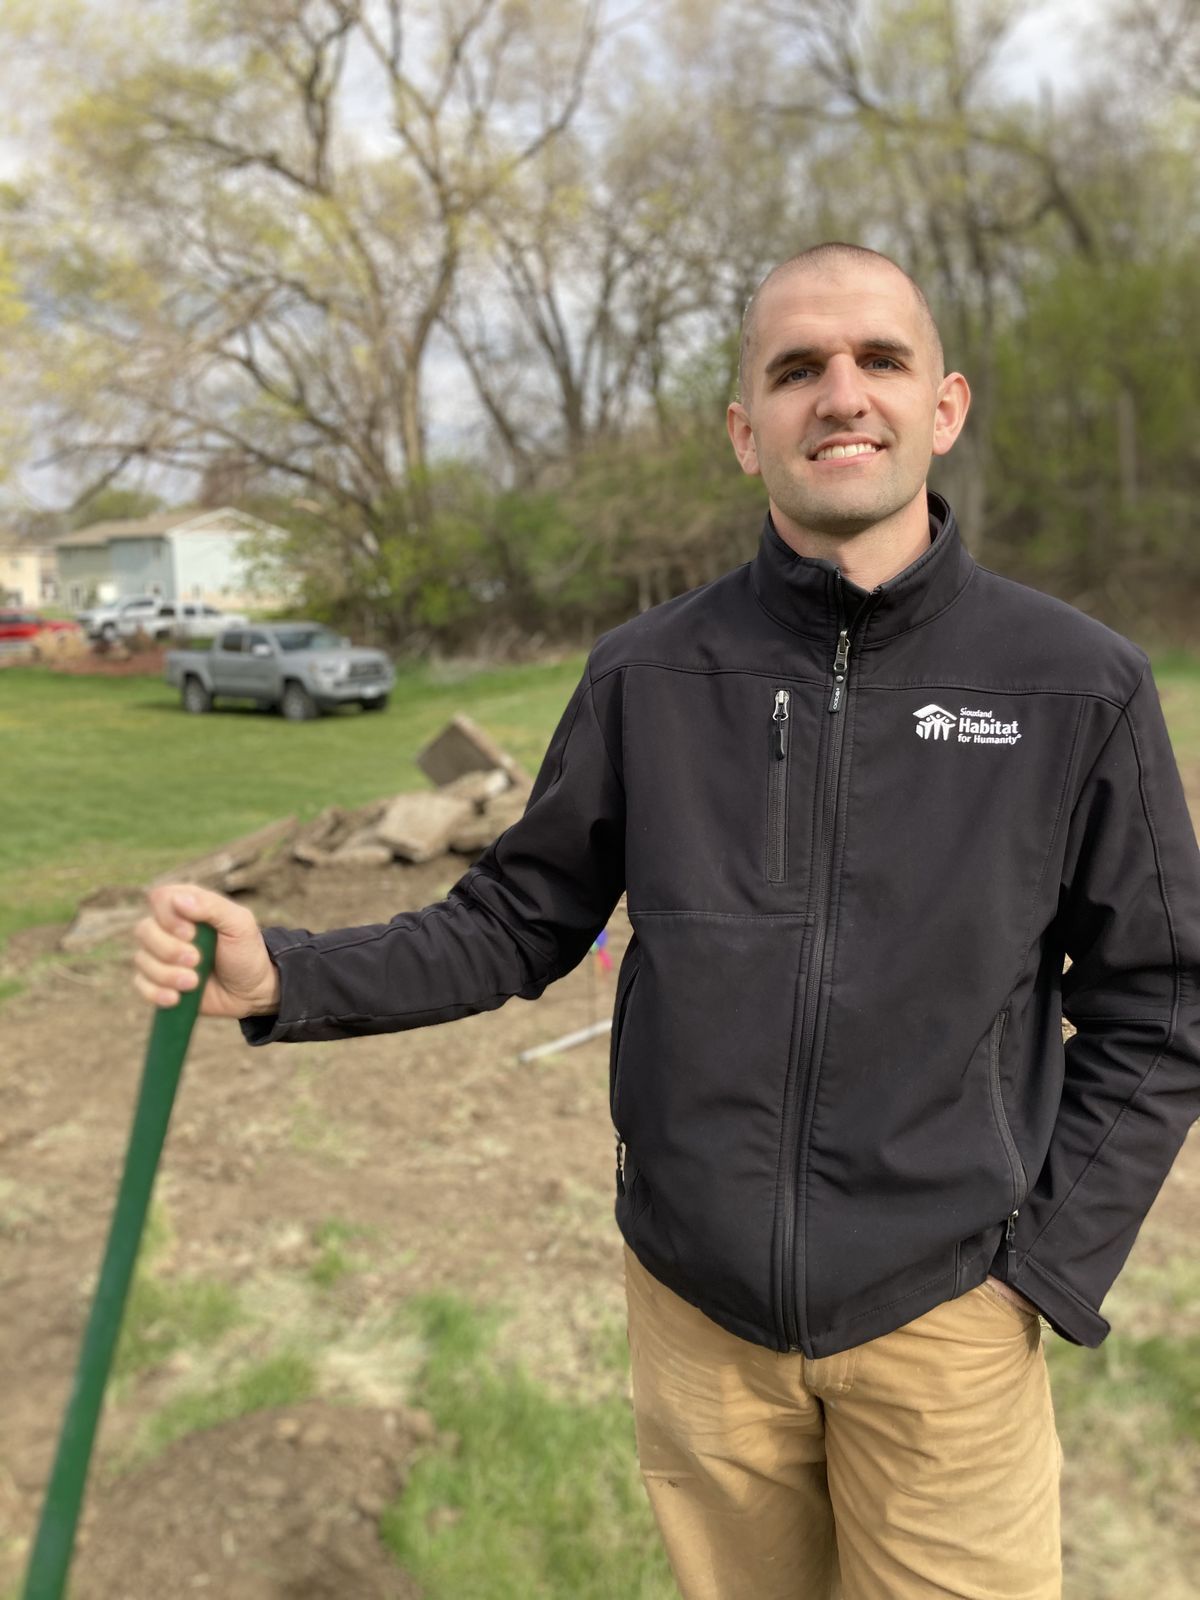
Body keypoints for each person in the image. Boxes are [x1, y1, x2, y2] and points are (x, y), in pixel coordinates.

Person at [133, 242, 1200, 1600]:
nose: (841, 393)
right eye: (797, 368)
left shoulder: (1077, 686)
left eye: (880, 359)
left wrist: (1041, 1270)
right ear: (744, 429)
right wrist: (286, 969)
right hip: (699, 1326)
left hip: (948, 1320)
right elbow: (520, 919)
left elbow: (1164, 1000)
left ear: (945, 408)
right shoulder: (647, 675)